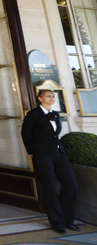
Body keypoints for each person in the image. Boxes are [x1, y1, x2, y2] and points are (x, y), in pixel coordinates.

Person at [21, 90, 79, 235]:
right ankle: (57, 223)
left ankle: (68, 220)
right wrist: (31, 151)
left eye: (53, 96)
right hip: (42, 154)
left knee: (71, 187)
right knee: (50, 188)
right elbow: (25, 134)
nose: (52, 98)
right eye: (48, 96)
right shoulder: (33, 114)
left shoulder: (56, 114)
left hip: (59, 153)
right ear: (40, 99)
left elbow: (54, 134)